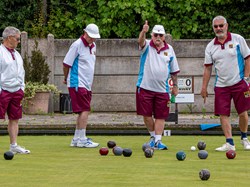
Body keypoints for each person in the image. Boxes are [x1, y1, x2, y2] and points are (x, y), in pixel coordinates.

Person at [201, 15, 250, 151]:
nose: (218, 28)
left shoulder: (238, 39)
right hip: (221, 85)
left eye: (221, 25)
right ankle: (229, 142)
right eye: (216, 26)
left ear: (226, 26)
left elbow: (248, 58)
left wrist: (246, 79)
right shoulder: (210, 46)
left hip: (239, 82)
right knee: (223, 114)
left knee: (243, 113)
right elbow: (208, 67)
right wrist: (204, 87)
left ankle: (244, 138)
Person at [137, 21, 180, 150]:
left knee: (161, 116)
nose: (158, 38)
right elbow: (140, 42)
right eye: (155, 35)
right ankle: (152, 136)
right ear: (152, 35)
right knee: (146, 115)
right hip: (145, 87)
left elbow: (174, 70)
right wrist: (143, 31)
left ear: (164, 37)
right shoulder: (146, 46)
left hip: (163, 89)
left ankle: (158, 141)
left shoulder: (170, 49)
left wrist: (176, 86)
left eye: (160, 35)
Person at [63, 23, 101, 148]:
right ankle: (83, 139)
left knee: (82, 111)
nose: (93, 39)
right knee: (85, 109)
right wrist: (65, 78)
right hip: (77, 82)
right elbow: (66, 63)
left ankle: (76, 138)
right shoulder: (77, 45)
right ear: (85, 33)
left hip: (87, 83)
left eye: (95, 37)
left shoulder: (93, 45)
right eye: (91, 36)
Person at [0, 26, 30, 154]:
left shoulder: (17, 54)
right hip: (3, 90)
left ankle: (14, 145)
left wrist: (21, 88)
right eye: (17, 39)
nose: (19, 41)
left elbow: (21, 72)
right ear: (9, 38)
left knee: (15, 118)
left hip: (16, 91)